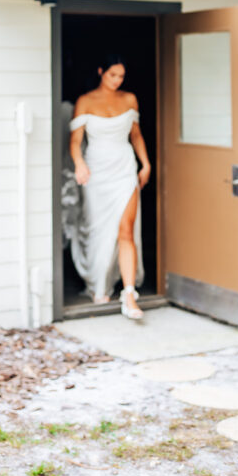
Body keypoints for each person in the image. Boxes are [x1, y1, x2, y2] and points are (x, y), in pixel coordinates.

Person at [68, 55, 150, 320]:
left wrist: (145, 164)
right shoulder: (85, 100)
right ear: (101, 71)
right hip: (97, 170)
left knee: (126, 230)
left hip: (124, 168)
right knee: (98, 228)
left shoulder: (129, 99)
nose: (117, 81)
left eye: (121, 77)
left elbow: (136, 134)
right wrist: (80, 164)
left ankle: (128, 293)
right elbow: (75, 140)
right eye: (112, 75)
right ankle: (99, 285)